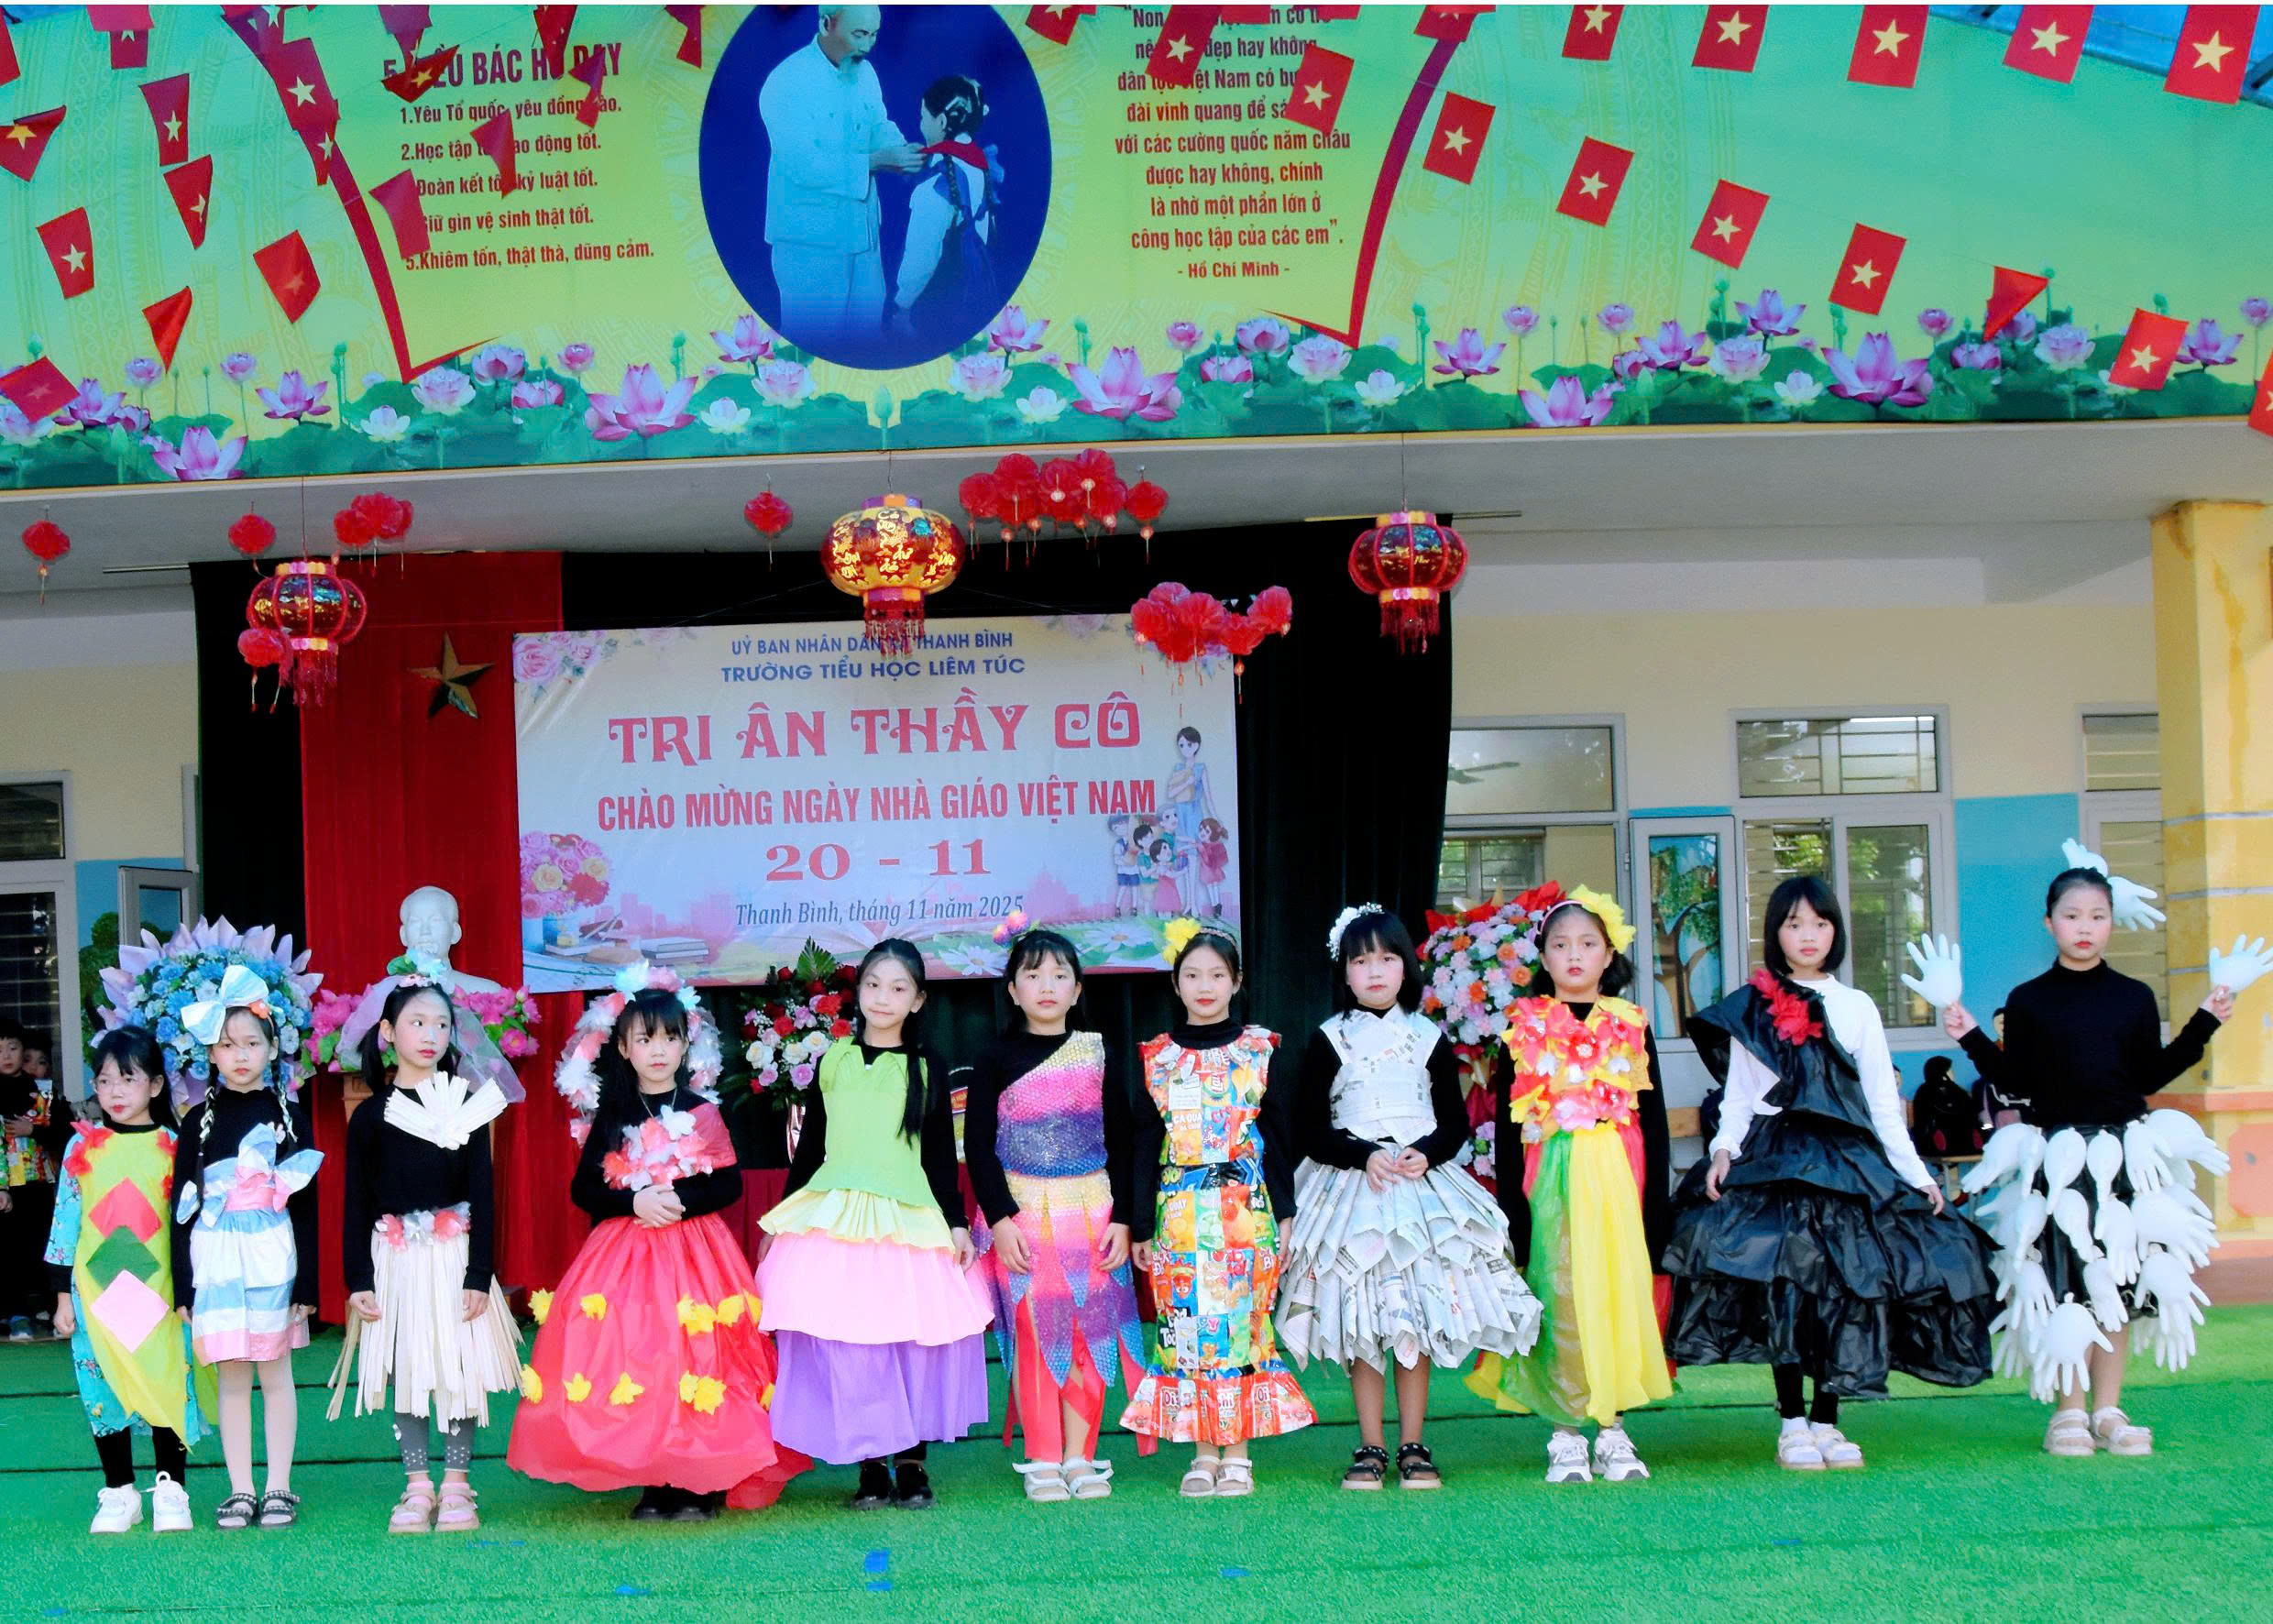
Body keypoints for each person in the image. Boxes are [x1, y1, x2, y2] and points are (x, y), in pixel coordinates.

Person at [1660, 876, 1996, 1472]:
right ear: (1777, 933)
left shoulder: (1857, 1005)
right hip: (1775, 1161)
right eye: (1794, 924)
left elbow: (1882, 1104)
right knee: (1786, 1288)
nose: (1808, 935)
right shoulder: (1753, 1005)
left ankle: (1827, 1420)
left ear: (1836, 931)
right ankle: (1792, 1422)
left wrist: (1918, 1175)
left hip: (1847, 1164)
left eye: (1819, 923)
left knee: (1845, 1287)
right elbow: (1739, 1096)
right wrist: (1723, 1150)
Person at [1943, 854, 2268, 1457]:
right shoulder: (2029, 1000)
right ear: (2049, 924)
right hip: (2058, 1163)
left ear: (2112, 922)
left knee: (2118, 1281)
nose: (2085, 926)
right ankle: (2068, 1412)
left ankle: (2108, 1409)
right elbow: (2015, 1082)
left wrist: (2206, 1020)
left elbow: (2150, 1074)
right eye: (2072, 916)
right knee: (2067, 1281)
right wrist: (1967, 1034)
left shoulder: (2133, 997)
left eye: (2097, 915)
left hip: (2123, 1161)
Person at [511, 969, 803, 1520]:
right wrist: (634, 1202)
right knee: (641, 1357)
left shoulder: (702, 1110)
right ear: (624, 1048)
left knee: (700, 1355)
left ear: (686, 1044)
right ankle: (655, 1474)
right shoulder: (612, 1115)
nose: (659, 1050)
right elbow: (584, 1190)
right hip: (626, 1255)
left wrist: (678, 1200)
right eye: (645, 1039)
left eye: (670, 1038)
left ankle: (700, 1479)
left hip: (697, 1255)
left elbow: (729, 1184)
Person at [1279, 905, 1539, 1490]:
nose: (1375, 971)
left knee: (1412, 1321)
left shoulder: (1427, 1036)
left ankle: (1413, 1444)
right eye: (1361, 961)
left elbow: (1453, 1123)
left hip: (1420, 1192)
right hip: (1352, 1191)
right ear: (1344, 972)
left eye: (1387, 958)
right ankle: (1370, 1444)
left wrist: (1427, 1152)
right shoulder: (1328, 1038)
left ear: (1406, 968)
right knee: (1362, 1320)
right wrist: (1361, 1155)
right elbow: (1309, 1128)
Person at [757, 939, 992, 1510]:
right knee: (849, 1339)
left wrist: (957, 1223)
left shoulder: (925, 1067)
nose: (883, 998)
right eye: (873, 985)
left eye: (898, 988)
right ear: (857, 992)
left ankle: (911, 1464)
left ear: (918, 1000)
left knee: (906, 1338)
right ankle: (869, 1464)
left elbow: (940, 1154)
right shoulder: (833, 1060)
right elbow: (811, 1147)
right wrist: (781, 1219)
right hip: (834, 1218)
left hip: (903, 1219)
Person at [1466, 888, 1672, 1484]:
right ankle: (1565, 1431)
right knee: (1561, 1299)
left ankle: (1613, 1427)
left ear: (1609, 955)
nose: (1574, 955)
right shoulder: (1524, 1028)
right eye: (1561, 945)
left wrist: (1656, 1205)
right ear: (1544, 957)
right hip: (1551, 1181)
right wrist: (1514, 1209)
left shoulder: (1631, 1025)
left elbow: (1654, 1121)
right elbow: (1508, 1129)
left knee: (1617, 1295)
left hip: (1620, 1175)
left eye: (1587, 944)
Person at [1122, 920, 1313, 1498]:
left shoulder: (1260, 1049)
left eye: (1216, 975)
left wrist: (1284, 1212)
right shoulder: (1157, 1057)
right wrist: (1139, 1224)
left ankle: (1238, 1455)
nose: (1205, 986)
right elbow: (1142, 1144)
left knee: (1242, 1327)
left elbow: (1279, 1137)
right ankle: (1203, 1452)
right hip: (1178, 1216)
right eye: (1192, 975)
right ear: (1176, 984)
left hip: (1245, 1211)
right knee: (1187, 1329)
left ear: (1236, 981)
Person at [964, 927, 1147, 1502]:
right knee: (1035, 1332)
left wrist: (1125, 1220)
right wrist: (1000, 1220)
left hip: (1092, 1214)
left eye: (1060, 975)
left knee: (1089, 1331)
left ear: (1077, 989)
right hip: (1020, 1215)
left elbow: (1125, 1139)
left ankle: (1080, 1456)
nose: (1047, 986)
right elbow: (978, 1145)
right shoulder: (994, 1059)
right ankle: (1043, 1457)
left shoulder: (1096, 1052)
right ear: (1012, 989)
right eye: (1033, 974)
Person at [336, 981, 521, 1533]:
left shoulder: (466, 1105)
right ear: (388, 1033)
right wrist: (358, 1277)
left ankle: (458, 1484)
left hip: (454, 1257)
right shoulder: (371, 1116)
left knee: (458, 1368)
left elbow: (484, 1194)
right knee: (409, 1367)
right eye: (417, 1023)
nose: (431, 1035)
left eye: (441, 1025)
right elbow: (356, 1200)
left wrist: (479, 1274)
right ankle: (417, 1485)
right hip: (395, 1258)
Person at [170, 973, 322, 1528]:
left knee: (275, 1372)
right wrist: (184, 1286)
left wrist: (308, 1282)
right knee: (232, 1375)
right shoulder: (196, 1122)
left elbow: (307, 1206)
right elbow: (180, 1206)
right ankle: (241, 1489)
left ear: (273, 1048)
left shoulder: (291, 1117)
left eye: (252, 1043)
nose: (240, 1055)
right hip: (216, 1262)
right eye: (228, 1045)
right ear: (211, 1053)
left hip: (272, 1259)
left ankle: (279, 1486)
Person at [45, 1026, 210, 1533]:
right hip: (96, 1293)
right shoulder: (82, 1146)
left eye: (128, 1079)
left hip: (160, 1293)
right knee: (103, 1385)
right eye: (104, 1081)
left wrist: (191, 1289)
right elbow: (65, 1221)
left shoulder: (174, 1147)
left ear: (156, 1085)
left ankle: (171, 1488)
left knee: (166, 1377)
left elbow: (189, 1224)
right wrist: (61, 1295)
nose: (115, 1091)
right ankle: (119, 1490)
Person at [758, 5, 925, 350]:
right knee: (812, 347)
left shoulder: (865, 72)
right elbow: (802, 164)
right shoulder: (787, 81)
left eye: (874, 35)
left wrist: (901, 151)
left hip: (863, 236)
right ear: (826, 24)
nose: (867, 46)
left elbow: (877, 124)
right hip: (810, 242)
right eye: (859, 35)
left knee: (866, 341)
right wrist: (877, 161)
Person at [891, 74, 1002, 351]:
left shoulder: (934, 188)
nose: (920, 124)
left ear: (941, 121)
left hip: (940, 310)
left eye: (923, 117)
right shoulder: (980, 166)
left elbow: (921, 260)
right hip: (979, 297)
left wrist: (902, 307)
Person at [1, 1015, 69, 1341]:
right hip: (7, 1186)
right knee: (9, 1250)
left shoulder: (42, 1091)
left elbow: (65, 1132)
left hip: (41, 1183)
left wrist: (34, 1131)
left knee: (42, 1245)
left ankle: (48, 1307)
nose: (7, 1056)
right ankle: (16, 1314)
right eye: (0, 1049)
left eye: (13, 1048)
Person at [1194, 818, 1230, 918]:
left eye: (1206, 831)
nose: (1202, 833)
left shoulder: (1212, 846)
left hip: (1211, 871)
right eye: (1201, 829)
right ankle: (1216, 906)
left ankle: (1217, 906)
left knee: (1213, 887)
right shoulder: (1204, 845)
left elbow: (1209, 860)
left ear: (1213, 833)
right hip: (1208, 871)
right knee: (1212, 887)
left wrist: (1201, 849)